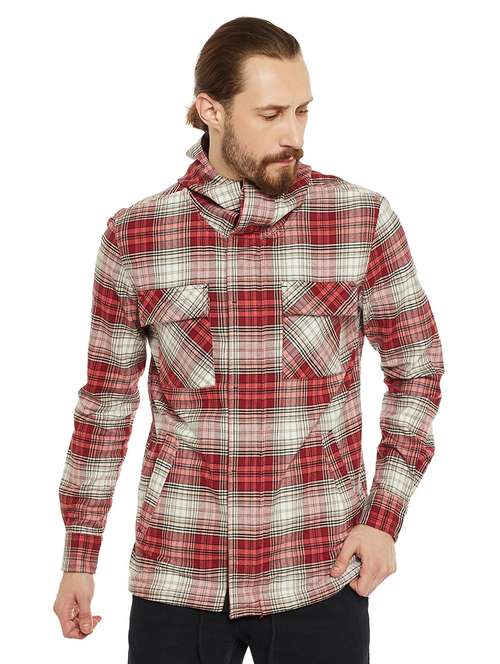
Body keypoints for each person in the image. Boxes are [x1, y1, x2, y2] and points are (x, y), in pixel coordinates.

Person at [53, 16, 445, 664]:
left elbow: (418, 370)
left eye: (302, 111)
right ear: (211, 109)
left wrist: (384, 519)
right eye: (270, 115)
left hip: (318, 568)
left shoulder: (360, 220)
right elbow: (106, 405)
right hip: (179, 571)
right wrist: (79, 554)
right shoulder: (135, 236)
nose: (294, 135)